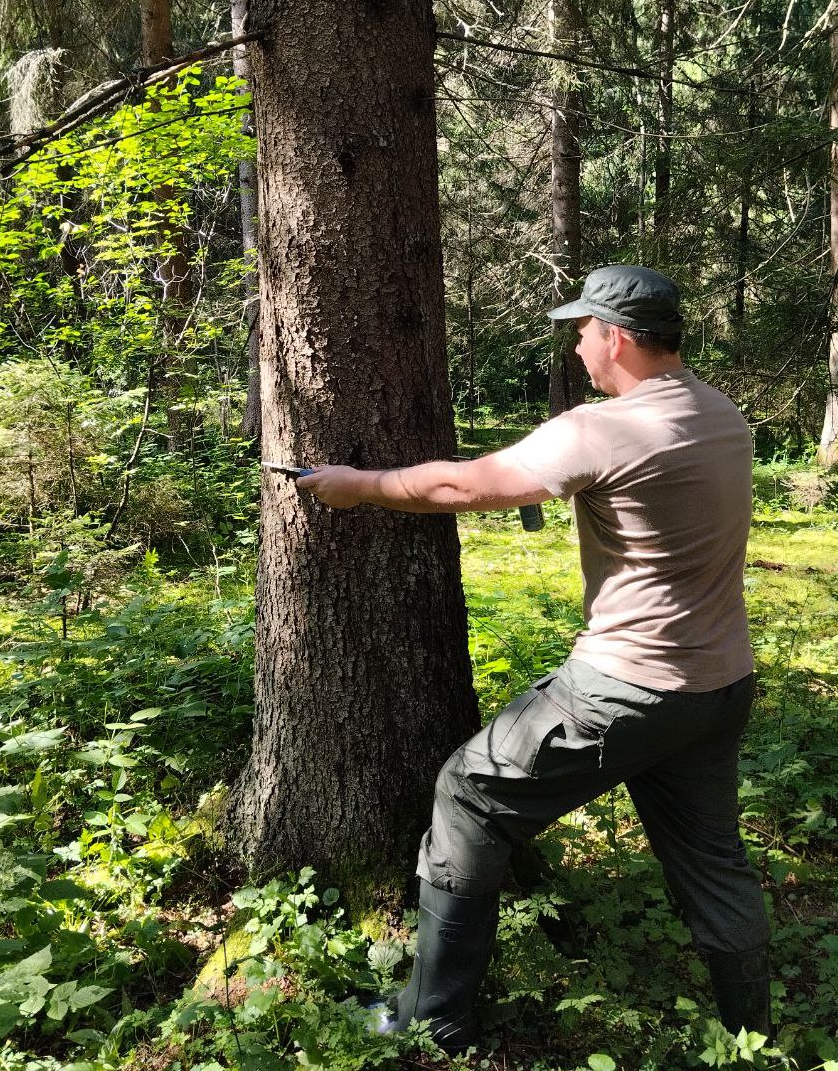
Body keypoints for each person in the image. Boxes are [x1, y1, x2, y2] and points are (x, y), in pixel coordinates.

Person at [296, 265, 772, 1050]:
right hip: (718, 684)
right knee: (714, 859)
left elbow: (467, 486)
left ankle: (433, 1019)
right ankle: (753, 1037)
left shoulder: (605, 426)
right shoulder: (723, 417)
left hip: (629, 685)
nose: (579, 346)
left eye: (583, 331)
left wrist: (358, 485)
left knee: (468, 793)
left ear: (615, 336)